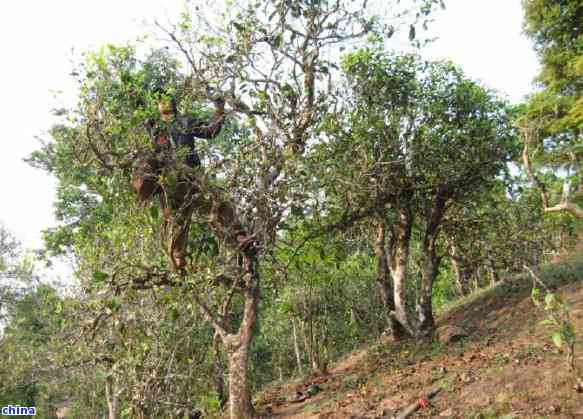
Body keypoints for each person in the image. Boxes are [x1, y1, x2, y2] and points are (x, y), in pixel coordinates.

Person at [132, 95, 225, 269]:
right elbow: (139, 108)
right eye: (159, 99)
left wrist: (219, 111)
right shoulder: (155, 125)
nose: (163, 102)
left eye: (167, 98)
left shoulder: (186, 121)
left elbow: (209, 131)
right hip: (167, 180)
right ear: (156, 104)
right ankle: (177, 258)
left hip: (190, 176)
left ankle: (238, 236)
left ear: (174, 103)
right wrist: (132, 93)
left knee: (209, 207)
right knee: (173, 218)